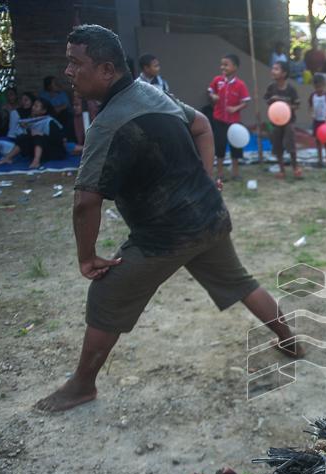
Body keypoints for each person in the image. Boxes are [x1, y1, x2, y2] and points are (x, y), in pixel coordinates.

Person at [34, 24, 299, 413]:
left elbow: (85, 202)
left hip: (164, 236)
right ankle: (289, 340)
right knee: (241, 282)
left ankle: (81, 385)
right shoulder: (154, 95)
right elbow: (203, 126)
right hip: (206, 217)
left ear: (107, 70)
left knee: (107, 294)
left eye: (76, 63)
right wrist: (207, 180)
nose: (69, 72)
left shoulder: (107, 125)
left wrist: (87, 258)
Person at [207, 53, 251, 181]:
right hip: (219, 120)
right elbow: (210, 92)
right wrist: (213, 97)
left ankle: (235, 172)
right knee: (220, 145)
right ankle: (220, 173)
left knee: (235, 147)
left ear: (235, 67)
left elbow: (246, 102)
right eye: (222, 65)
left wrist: (235, 108)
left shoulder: (240, 85)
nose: (223, 67)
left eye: (226, 65)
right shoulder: (217, 81)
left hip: (234, 122)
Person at [0, 98, 66, 168]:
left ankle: (36, 161)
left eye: (36, 106)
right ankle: (8, 158)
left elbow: (58, 140)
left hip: (54, 151)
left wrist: (41, 134)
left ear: (43, 111)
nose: (33, 108)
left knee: (38, 137)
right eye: (34, 105)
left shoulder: (50, 122)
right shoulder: (32, 121)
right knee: (24, 138)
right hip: (42, 149)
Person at [264, 61, 301, 179]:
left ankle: (295, 168)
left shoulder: (291, 89)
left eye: (276, 69)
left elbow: (297, 105)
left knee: (290, 143)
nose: (273, 71)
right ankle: (281, 170)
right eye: (273, 68)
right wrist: (272, 100)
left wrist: (287, 106)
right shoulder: (271, 87)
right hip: (275, 121)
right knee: (277, 143)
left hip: (289, 121)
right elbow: (268, 101)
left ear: (284, 73)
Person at [309, 72, 326, 167]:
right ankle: (320, 158)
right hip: (316, 121)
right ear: (314, 86)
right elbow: (310, 106)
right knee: (318, 140)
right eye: (316, 87)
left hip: (325, 122)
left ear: (324, 85)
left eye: (320, 87)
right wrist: (312, 113)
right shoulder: (313, 96)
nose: (319, 89)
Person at [41, 75, 75, 141]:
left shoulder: (62, 94)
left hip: (62, 116)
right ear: (49, 86)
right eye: (55, 83)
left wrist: (55, 109)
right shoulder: (43, 95)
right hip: (49, 116)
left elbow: (67, 106)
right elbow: (44, 107)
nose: (57, 84)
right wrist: (57, 108)